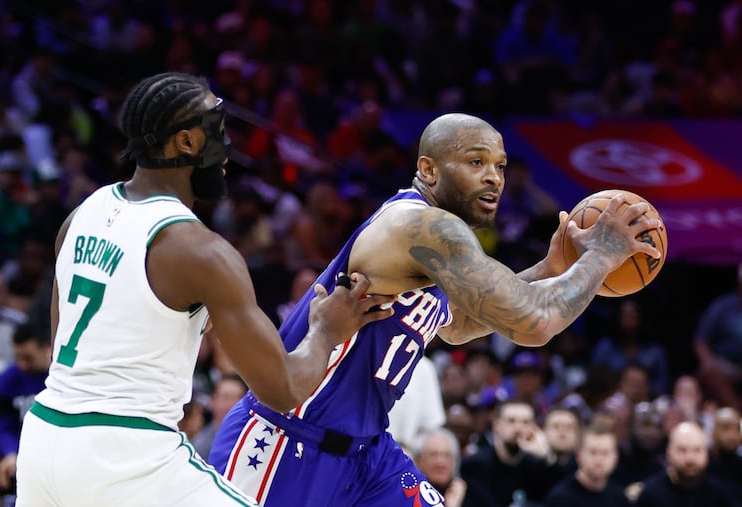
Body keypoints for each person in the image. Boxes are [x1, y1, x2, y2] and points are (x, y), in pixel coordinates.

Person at [210, 111, 662, 507]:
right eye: (475, 162)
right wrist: (601, 257)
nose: (494, 177)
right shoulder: (420, 228)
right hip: (287, 443)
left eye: (500, 166)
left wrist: (550, 267)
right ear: (427, 169)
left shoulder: (440, 243)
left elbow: (459, 325)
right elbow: (536, 321)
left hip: (367, 453)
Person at [14, 72, 394, 507]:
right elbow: (284, 389)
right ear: (186, 143)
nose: (227, 144)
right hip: (124, 454)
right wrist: (327, 330)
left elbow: (72, 340)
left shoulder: (83, 214)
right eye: (217, 127)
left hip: (44, 438)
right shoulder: (201, 253)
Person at [461, 398, 561, 506]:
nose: (518, 428)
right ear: (496, 426)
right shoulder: (475, 466)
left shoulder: (540, 466)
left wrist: (547, 456)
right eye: (511, 421)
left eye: (525, 422)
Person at [0, 320, 51, 497]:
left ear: (47, 348)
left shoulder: (61, 378)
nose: (23, 365)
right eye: (18, 358)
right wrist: (10, 452)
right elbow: (4, 425)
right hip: (22, 457)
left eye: (28, 358)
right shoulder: (7, 381)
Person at [633, 421, 736, 506]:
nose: (690, 458)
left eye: (697, 450)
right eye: (682, 450)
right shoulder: (650, 494)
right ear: (669, 452)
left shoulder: (719, 494)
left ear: (706, 454)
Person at [693, 261, 742, 409]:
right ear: (739, 285)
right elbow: (700, 341)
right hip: (725, 364)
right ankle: (736, 411)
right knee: (708, 371)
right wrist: (708, 361)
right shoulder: (723, 306)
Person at [545, 424, 629, 507]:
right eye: (593, 452)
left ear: (615, 458)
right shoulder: (561, 498)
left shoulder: (620, 498)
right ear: (579, 456)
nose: (599, 460)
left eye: (605, 453)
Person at [412, 428, 466, 507]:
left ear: (454, 461)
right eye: (433, 455)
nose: (440, 463)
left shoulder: (472, 494)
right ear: (419, 460)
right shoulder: (409, 495)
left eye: (447, 455)